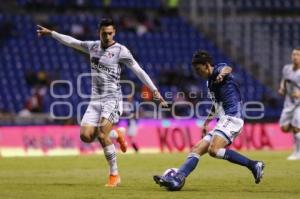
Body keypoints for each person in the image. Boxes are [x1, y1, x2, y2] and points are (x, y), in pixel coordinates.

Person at [37, 18, 167, 187]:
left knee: (101, 135)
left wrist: (155, 90)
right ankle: (117, 133)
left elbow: (139, 71)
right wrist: (52, 33)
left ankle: (114, 175)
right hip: (95, 100)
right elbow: (72, 42)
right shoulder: (93, 47)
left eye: (110, 33)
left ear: (115, 33)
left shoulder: (121, 51)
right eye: (104, 33)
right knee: (85, 136)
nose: (107, 36)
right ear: (99, 32)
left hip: (112, 99)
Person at [153, 50, 264, 191]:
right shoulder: (209, 83)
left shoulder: (218, 69)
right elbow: (215, 105)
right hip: (223, 119)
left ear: (207, 65)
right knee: (196, 149)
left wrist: (222, 74)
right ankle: (177, 179)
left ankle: (254, 164)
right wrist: (206, 123)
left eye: (199, 69)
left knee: (214, 150)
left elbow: (227, 68)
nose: (198, 73)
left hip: (233, 117)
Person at [278, 48, 300, 160]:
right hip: (288, 103)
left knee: (297, 127)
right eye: (294, 54)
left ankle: (298, 152)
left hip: (299, 104)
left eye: (297, 55)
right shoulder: (287, 69)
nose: (295, 56)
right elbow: (284, 80)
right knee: (284, 127)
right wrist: (282, 87)